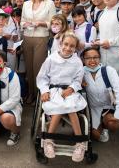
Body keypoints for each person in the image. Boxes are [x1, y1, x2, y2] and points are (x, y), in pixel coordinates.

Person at [36, 33, 87, 162]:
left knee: (70, 107)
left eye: (72, 46)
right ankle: (49, 140)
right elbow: (42, 77)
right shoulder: (51, 59)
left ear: (75, 48)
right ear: (60, 44)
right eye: (66, 44)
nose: (68, 48)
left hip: (69, 91)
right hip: (53, 90)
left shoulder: (77, 61)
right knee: (58, 106)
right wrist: (44, 90)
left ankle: (79, 143)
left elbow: (78, 79)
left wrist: (72, 88)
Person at [21, 0, 56, 103]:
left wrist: (41, 23)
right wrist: (24, 24)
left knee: (38, 69)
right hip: (27, 38)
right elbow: (22, 22)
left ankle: (39, 94)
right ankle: (31, 93)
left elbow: (53, 23)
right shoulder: (26, 4)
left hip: (41, 38)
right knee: (29, 69)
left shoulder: (49, 3)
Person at [82, 47, 119, 142]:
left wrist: (118, 115)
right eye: (88, 58)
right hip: (92, 108)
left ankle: (105, 125)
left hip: (107, 107)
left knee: (113, 124)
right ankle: (98, 126)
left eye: (95, 57)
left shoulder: (108, 70)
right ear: (83, 60)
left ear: (100, 58)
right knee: (96, 137)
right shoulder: (81, 73)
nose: (92, 60)